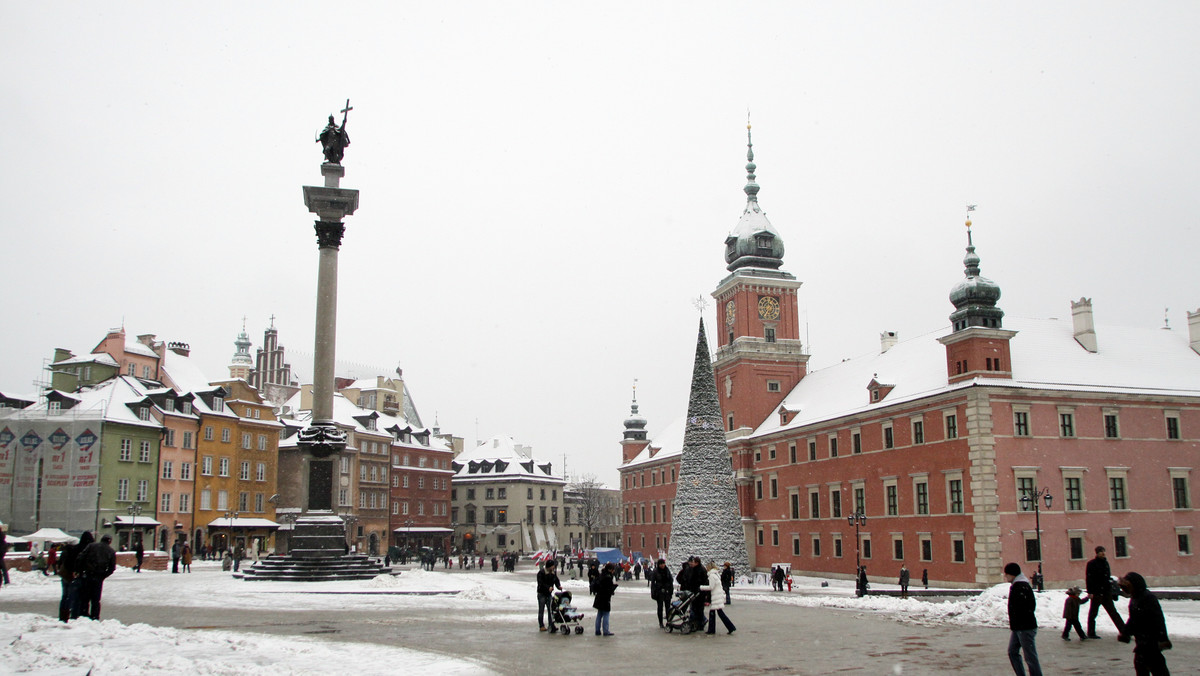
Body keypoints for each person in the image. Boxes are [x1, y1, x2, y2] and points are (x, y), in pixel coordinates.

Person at [1117, 572, 1171, 676]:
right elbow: (1133, 619)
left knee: (1157, 668)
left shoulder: (1148, 598)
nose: (1125, 590)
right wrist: (1125, 633)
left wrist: (1162, 638)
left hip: (1150, 642)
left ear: (1135, 585)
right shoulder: (1135, 598)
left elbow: (1158, 619)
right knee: (1142, 666)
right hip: (1142, 642)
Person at [1004, 562, 1042, 676]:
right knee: (1012, 652)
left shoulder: (1021, 586)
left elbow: (1027, 606)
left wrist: (1020, 621)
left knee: (1030, 656)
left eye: (1007, 574)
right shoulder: (1018, 585)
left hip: (1025, 627)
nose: (1005, 576)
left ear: (1013, 574)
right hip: (1019, 627)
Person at [1086, 546, 1126, 638]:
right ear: (1097, 553)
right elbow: (1089, 578)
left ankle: (1124, 631)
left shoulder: (1105, 563)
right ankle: (1091, 633)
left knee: (1113, 612)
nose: (1103, 553)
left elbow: (1107, 578)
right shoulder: (1091, 564)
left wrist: (1112, 590)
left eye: (1103, 551)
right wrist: (1090, 592)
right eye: (1100, 552)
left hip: (1106, 592)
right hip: (1097, 592)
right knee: (1093, 613)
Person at [79, 533, 117, 620]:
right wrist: (103, 575)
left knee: (85, 598)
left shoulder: (91, 546)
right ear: (109, 541)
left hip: (88, 574)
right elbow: (112, 568)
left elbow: (81, 557)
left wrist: (82, 570)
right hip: (99, 576)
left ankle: (83, 615)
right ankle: (95, 617)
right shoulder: (111, 551)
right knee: (95, 600)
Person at [56, 531, 92, 622]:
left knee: (67, 596)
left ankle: (64, 615)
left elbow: (63, 562)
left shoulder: (70, 550)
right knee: (77, 597)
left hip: (67, 575)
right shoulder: (86, 549)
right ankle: (76, 616)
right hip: (78, 575)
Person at [702, 561, 737, 635]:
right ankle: (730, 627)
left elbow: (711, 587)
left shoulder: (711, 576)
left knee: (714, 613)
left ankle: (712, 630)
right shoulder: (716, 574)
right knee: (719, 613)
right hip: (718, 595)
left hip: (715, 596)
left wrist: (701, 587)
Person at [536, 560, 562, 633]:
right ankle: (541, 626)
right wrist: (548, 587)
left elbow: (556, 580)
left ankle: (551, 625)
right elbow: (540, 583)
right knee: (541, 610)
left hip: (549, 594)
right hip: (542, 594)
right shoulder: (541, 573)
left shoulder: (553, 573)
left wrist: (558, 586)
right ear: (549, 566)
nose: (554, 567)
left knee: (551, 610)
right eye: (552, 566)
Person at [592, 561, 618, 636]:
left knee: (599, 614)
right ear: (610, 570)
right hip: (605, 598)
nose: (614, 571)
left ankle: (597, 630)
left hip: (599, 597)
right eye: (613, 570)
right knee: (606, 614)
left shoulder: (601, 575)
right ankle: (606, 631)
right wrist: (613, 589)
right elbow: (608, 588)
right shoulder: (608, 577)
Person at [651, 558, 674, 628]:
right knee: (660, 608)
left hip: (667, 592)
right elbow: (653, 583)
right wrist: (653, 592)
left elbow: (671, 581)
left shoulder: (667, 570)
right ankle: (660, 622)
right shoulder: (655, 571)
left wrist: (671, 591)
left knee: (668, 608)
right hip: (659, 592)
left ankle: (668, 621)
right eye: (661, 564)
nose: (662, 565)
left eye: (663, 564)